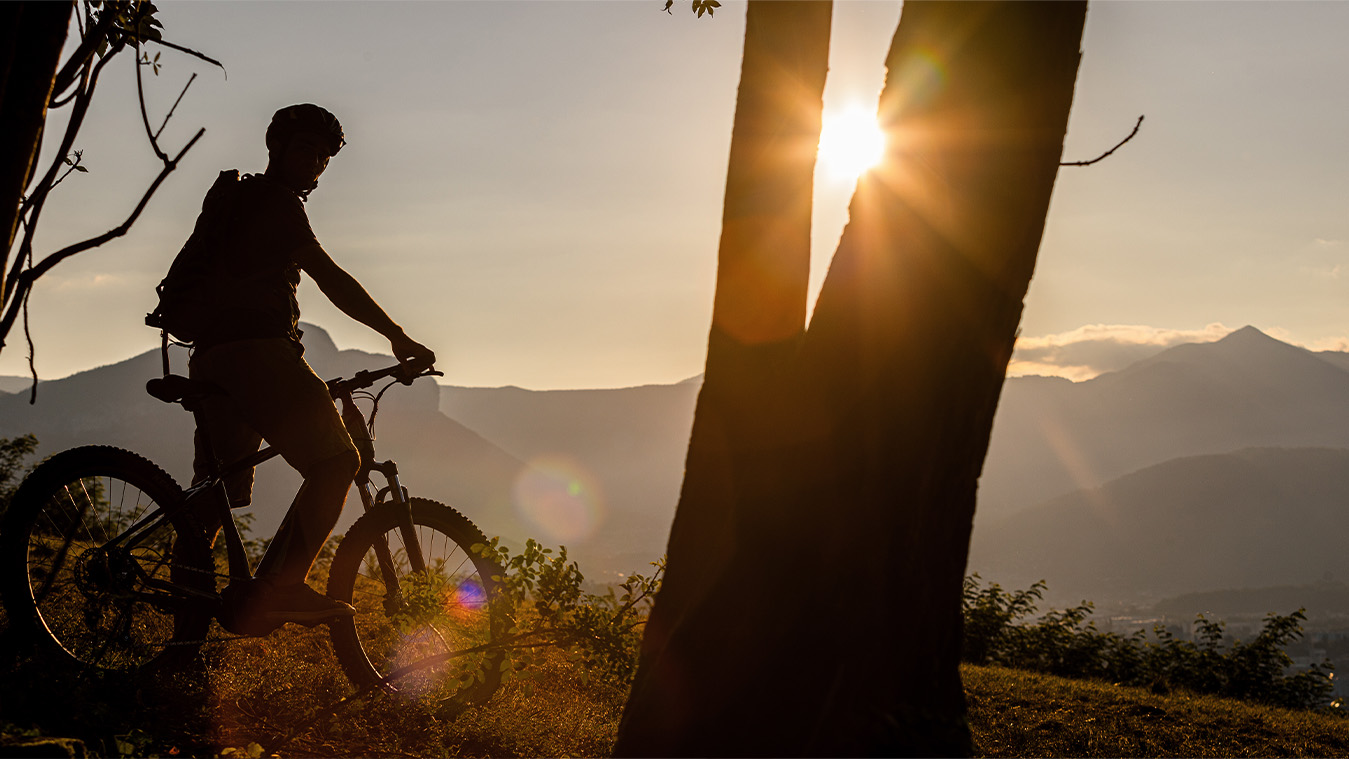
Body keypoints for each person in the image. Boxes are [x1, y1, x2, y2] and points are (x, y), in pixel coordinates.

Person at [181, 103, 434, 629]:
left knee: (212, 499)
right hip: (257, 352)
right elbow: (329, 277)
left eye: (323, 157)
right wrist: (396, 336)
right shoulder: (275, 202)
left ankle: (184, 645)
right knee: (336, 462)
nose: (314, 163)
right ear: (276, 149)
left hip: (210, 355)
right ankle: (283, 586)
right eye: (305, 150)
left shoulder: (240, 199)